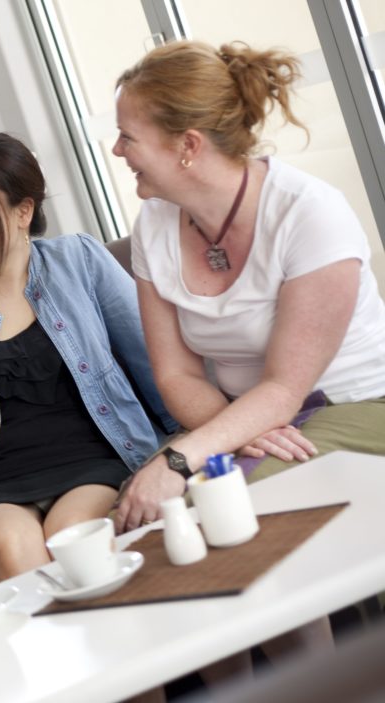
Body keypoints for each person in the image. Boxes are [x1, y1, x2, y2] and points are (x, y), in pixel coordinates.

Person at [111, 39, 385, 533]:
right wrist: (236, 434)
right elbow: (176, 376)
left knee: (234, 507)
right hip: (246, 415)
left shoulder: (310, 215)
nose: (117, 150)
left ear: (187, 145)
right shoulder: (154, 224)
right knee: (138, 517)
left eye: (128, 137)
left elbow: (285, 386)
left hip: (356, 402)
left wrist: (179, 461)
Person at [0, 132, 177, 583]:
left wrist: (194, 449)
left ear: (22, 211)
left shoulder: (80, 261)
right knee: (12, 543)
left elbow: (156, 362)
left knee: (73, 534)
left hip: (95, 458)